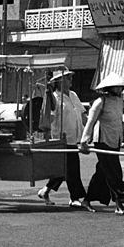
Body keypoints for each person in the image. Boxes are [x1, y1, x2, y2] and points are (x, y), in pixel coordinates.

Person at [78, 75, 124, 214]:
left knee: (102, 173)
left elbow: (119, 121)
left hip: (115, 140)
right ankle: (119, 205)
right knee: (113, 172)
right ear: (109, 88)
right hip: (102, 141)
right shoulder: (100, 101)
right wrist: (84, 141)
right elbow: (91, 121)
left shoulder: (119, 102)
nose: (119, 89)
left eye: (120, 87)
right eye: (116, 86)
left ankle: (87, 200)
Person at [37, 68, 90, 209]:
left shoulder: (73, 95)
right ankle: (74, 197)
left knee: (63, 168)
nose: (70, 80)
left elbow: (83, 116)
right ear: (59, 81)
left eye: (70, 77)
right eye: (67, 78)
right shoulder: (54, 98)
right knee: (72, 168)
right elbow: (50, 116)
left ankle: (46, 190)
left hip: (74, 137)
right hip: (61, 138)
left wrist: (89, 132)